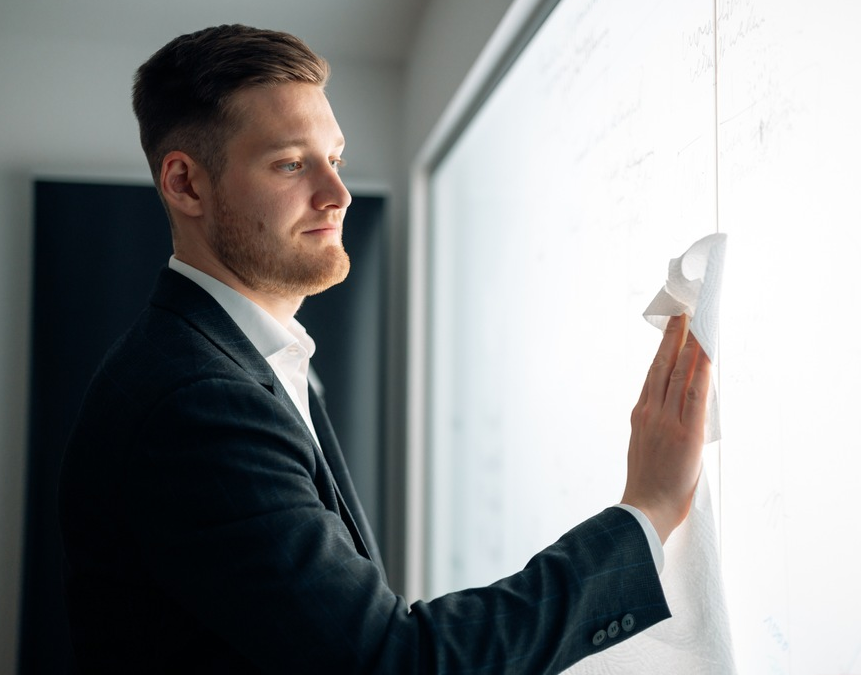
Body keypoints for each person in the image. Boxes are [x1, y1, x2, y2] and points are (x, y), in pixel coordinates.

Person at [58, 24, 710, 674]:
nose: (338, 195)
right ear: (186, 184)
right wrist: (647, 512)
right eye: (291, 163)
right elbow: (391, 662)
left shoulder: (242, 362)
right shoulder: (198, 400)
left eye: (335, 160)